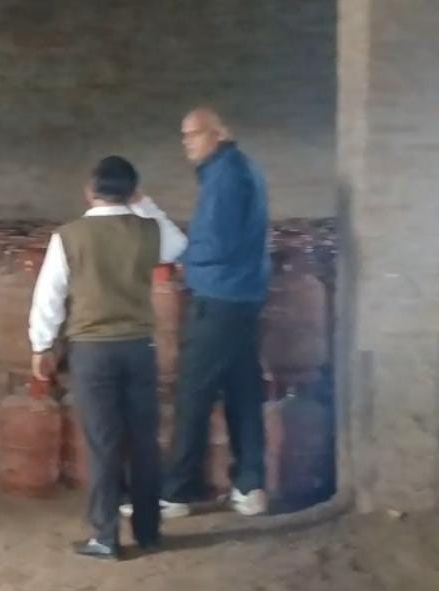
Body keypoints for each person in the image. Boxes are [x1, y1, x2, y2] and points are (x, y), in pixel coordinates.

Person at [29, 156, 186, 560]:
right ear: (132, 191)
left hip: (92, 352)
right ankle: (149, 532)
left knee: (104, 443)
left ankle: (105, 536)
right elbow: (179, 245)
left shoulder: (69, 237)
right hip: (139, 349)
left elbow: (49, 296)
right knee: (144, 441)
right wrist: (145, 204)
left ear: (89, 191)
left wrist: (41, 346)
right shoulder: (149, 231)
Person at [157, 108, 272, 518]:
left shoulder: (224, 176)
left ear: (218, 133)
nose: (186, 142)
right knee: (243, 391)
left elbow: (217, 243)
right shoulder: (241, 168)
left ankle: (177, 492)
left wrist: (185, 257)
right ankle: (249, 487)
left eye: (193, 134)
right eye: (184, 135)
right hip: (243, 296)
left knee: (193, 391)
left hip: (219, 298)